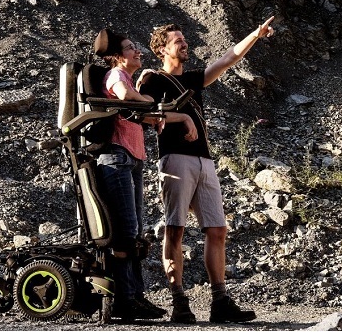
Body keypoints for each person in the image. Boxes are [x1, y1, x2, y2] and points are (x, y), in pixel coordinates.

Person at [139, 16, 275, 323]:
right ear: (162, 49)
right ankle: (179, 303)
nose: (185, 44)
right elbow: (142, 113)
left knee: (217, 230)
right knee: (175, 230)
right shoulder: (153, 80)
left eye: (185, 39)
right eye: (178, 41)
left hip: (205, 161)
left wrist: (254, 34)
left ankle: (220, 301)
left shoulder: (194, 79)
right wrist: (178, 119)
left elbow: (229, 58)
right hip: (174, 158)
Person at [93, 28, 166, 322]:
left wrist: (151, 116)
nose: (137, 51)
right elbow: (126, 97)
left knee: (135, 232)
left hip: (132, 159)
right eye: (130, 47)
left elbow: (132, 110)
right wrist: (147, 99)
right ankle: (125, 300)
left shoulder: (127, 77)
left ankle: (136, 296)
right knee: (126, 232)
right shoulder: (117, 76)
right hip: (117, 156)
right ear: (117, 56)